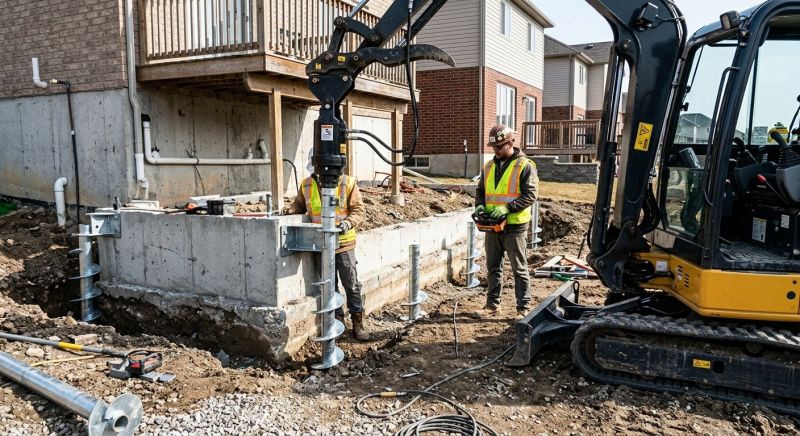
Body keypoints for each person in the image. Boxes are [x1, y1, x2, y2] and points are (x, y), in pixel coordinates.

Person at [283, 153, 369, 341]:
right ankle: (337, 321)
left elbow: (359, 210)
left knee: (351, 284)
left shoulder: (347, 182)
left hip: (344, 243)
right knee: (330, 287)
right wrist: (288, 212)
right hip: (320, 244)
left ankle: (358, 322)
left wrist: (347, 223)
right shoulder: (307, 184)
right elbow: (299, 206)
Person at [471, 124, 538, 321]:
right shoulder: (489, 166)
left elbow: (531, 194)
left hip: (515, 225)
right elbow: (480, 191)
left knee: (519, 268)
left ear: (511, 143)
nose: (497, 150)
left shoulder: (525, 165)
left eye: (500, 147)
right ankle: (492, 305)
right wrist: (479, 206)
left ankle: (522, 308)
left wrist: (508, 208)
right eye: (494, 148)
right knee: (493, 266)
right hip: (492, 223)